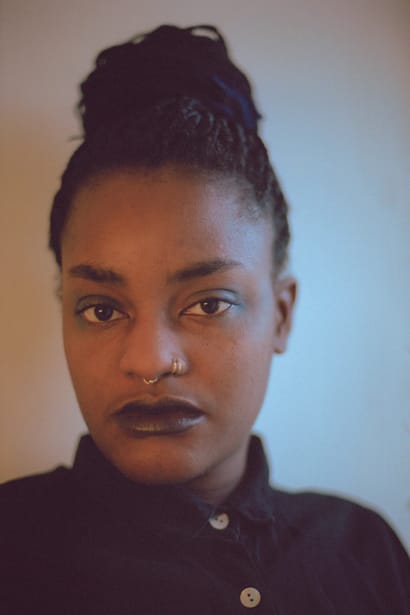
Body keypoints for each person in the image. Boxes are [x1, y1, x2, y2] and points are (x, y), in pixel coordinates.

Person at [0, 24, 408, 615]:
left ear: (281, 316)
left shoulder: (364, 552)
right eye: (101, 309)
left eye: (208, 304)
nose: (149, 361)